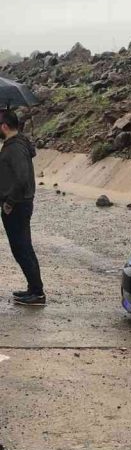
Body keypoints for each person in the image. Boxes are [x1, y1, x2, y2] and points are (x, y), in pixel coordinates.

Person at [0, 109, 45, 306]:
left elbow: (22, 178)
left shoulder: (15, 148)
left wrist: (9, 202)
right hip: (18, 204)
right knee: (21, 247)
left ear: (4, 127)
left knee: (22, 248)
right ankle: (34, 288)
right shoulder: (13, 145)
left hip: (17, 206)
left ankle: (37, 292)